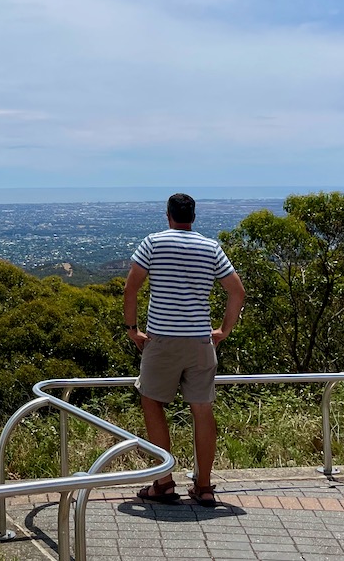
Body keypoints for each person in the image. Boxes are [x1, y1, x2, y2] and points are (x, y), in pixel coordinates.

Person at [123, 192, 245, 507]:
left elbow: (131, 287)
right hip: (200, 341)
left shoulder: (153, 243)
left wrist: (132, 329)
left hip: (162, 339)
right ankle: (203, 486)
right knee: (202, 409)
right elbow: (236, 291)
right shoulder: (211, 248)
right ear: (193, 217)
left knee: (151, 402)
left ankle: (163, 483)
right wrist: (223, 331)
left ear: (168, 216)